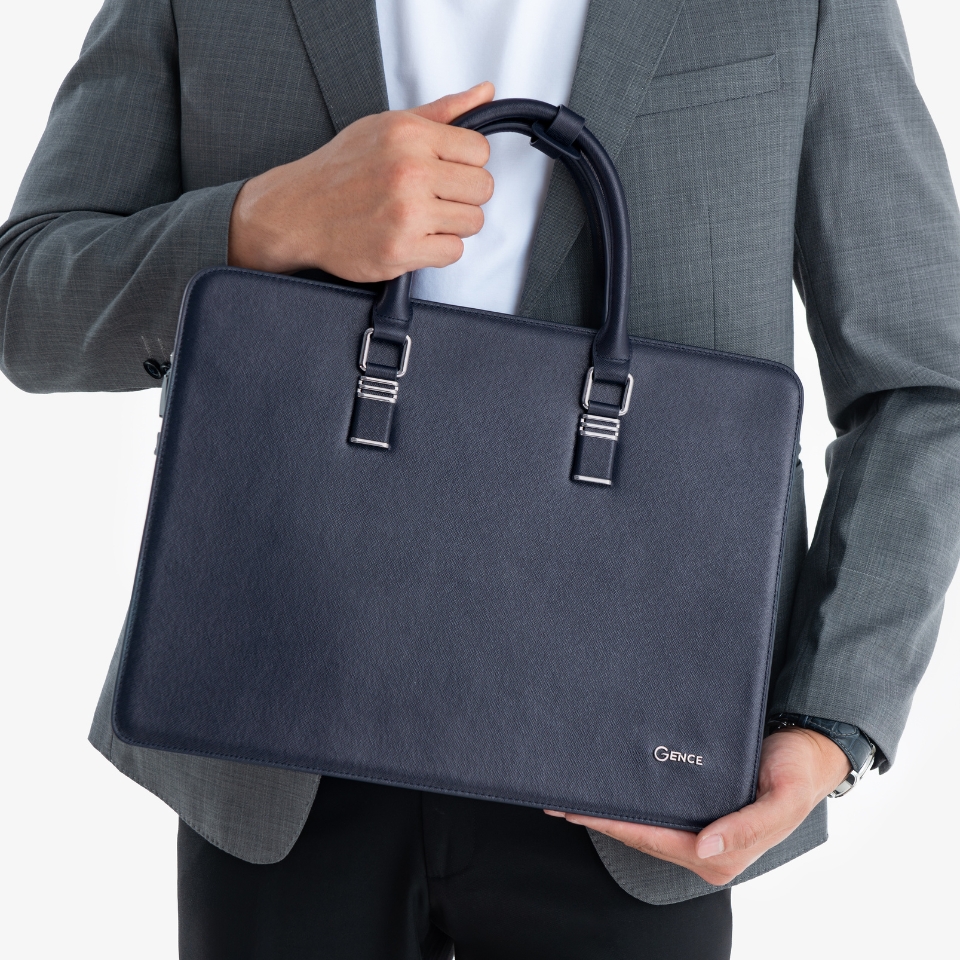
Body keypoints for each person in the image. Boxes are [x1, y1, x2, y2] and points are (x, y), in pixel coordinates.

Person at [1, 1, 958, 958]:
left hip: (632, 770)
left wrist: (829, 717)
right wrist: (259, 221)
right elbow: (29, 300)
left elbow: (927, 385)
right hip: (272, 731)